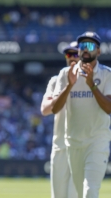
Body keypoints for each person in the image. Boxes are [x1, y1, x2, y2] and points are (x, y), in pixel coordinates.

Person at [52, 31, 111, 198]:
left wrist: (91, 84)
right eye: (82, 46)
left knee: (89, 191)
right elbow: (55, 109)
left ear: (98, 51)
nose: (85, 49)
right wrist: (69, 86)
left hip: (97, 141)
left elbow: (108, 108)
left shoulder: (107, 74)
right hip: (73, 143)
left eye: (90, 46)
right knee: (79, 194)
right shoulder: (66, 74)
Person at [41, 41, 79, 198]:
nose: (72, 58)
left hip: (80, 146)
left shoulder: (91, 81)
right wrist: (67, 86)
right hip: (60, 147)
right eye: (69, 54)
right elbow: (45, 109)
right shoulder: (56, 80)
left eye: (75, 54)